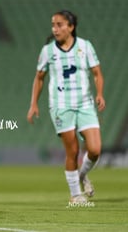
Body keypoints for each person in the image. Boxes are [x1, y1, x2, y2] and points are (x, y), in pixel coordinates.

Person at [27, 10, 105, 204]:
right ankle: (75, 195)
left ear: (71, 27)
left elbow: (96, 73)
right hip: (61, 106)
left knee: (95, 150)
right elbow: (39, 78)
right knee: (73, 151)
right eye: (53, 25)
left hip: (85, 104)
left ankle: (81, 175)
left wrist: (100, 93)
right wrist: (34, 103)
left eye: (60, 25)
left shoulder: (85, 47)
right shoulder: (48, 51)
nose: (55, 29)